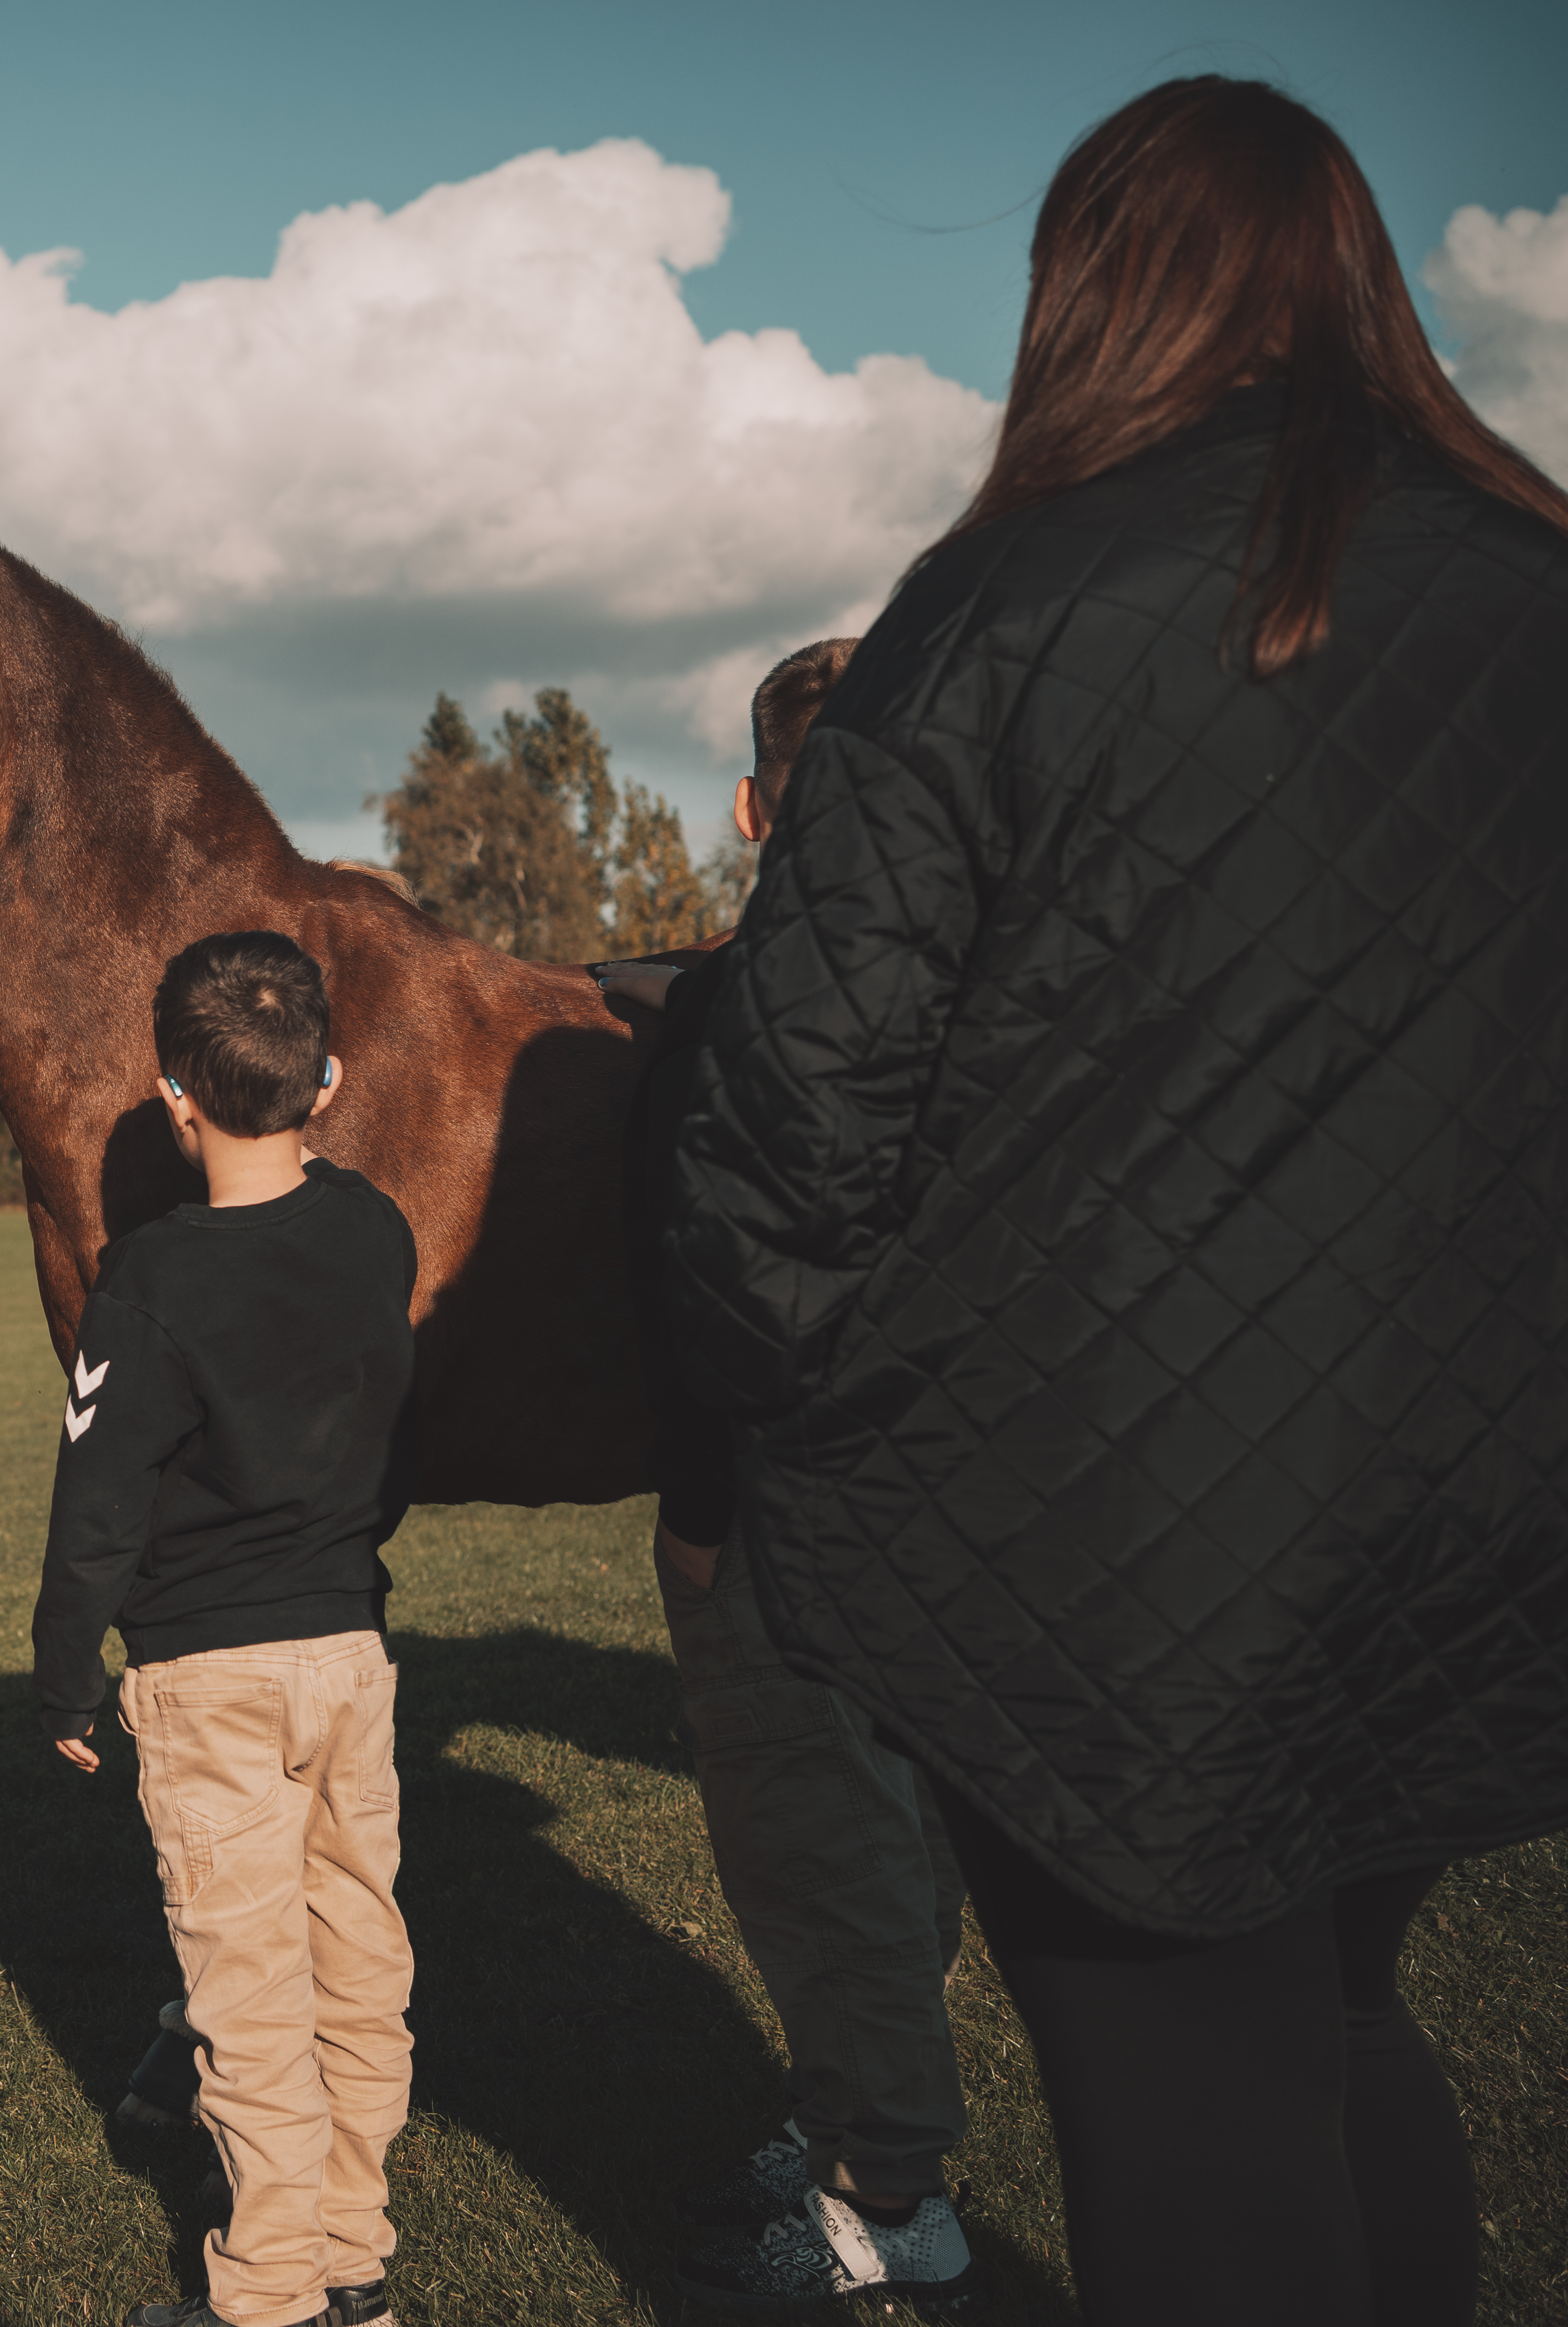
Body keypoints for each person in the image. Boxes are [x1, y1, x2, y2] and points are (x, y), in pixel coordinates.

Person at [665, 78, 1568, 2327]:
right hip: (1479, 1506)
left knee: (1197, 2114)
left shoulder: (1003, 611)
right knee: (1350, 2025)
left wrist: (800, 1420)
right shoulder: (1539, 575)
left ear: (1088, 295)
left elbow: (785, 1122)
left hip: (1105, 1554)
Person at [598, 643, 976, 2311]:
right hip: (964, 1499)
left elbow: (710, 1288)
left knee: (817, 1839)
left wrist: (697, 1505)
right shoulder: (993, 985)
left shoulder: (740, 1015)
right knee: (895, 1829)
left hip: (784, 1509)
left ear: (755, 806)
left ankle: (885, 2196)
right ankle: (858, 2115)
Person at [33, 932, 422, 2327]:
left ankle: (267, 2296)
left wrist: (66, 1673)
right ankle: (352, 2259)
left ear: (173, 1094)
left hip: (210, 1681)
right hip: (350, 1660)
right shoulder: (378, 1229)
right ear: (324, 1081)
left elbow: (99, 1500)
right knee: (360, 1966)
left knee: (248, 1998)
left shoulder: (146, 1279)